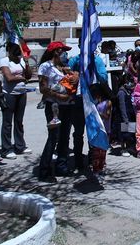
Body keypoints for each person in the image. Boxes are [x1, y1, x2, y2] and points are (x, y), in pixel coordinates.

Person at [37, 41, 77, 177]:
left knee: (65, 137)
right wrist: (59, 96)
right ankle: (45, 170)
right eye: (63, 51)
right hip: (54, 106)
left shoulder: (63, 67)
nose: (65, 54)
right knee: (53, 137)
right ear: (56, 52)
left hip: (67, 105)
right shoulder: (45, 67)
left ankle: (61, 165)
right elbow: (43, 89)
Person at [0, 42, 32, 159]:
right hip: (9, 94)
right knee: (7, 122)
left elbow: (29, 76)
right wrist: (21, 78)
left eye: (19, 54)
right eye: (15, 54)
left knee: (19, 121)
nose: (17, 56)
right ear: (10, 52)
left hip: (21, 93)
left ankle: (20, 146)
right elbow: (9, 78)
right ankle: (6, 149)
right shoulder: (5, 61)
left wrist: (26, 63)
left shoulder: (21, 60)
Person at [90, 83, 113, 178]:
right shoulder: (95, 103)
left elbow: (107, 116)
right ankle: (96, 169)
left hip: (105, 130)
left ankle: (101, 168)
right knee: (96, 151)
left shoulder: (108, 103)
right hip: (96, 130)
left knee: (103, 151)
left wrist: (97, 113)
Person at [111, 73, 137, 156]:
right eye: (129, 81)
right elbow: (122, 107)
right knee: (124, 134)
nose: (131, 83)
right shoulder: (121, 92)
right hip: (123, 117)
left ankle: (129, 147)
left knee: (130, 133)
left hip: (130, 114)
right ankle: (123, 149)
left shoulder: (128, 91)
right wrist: (125, 119)